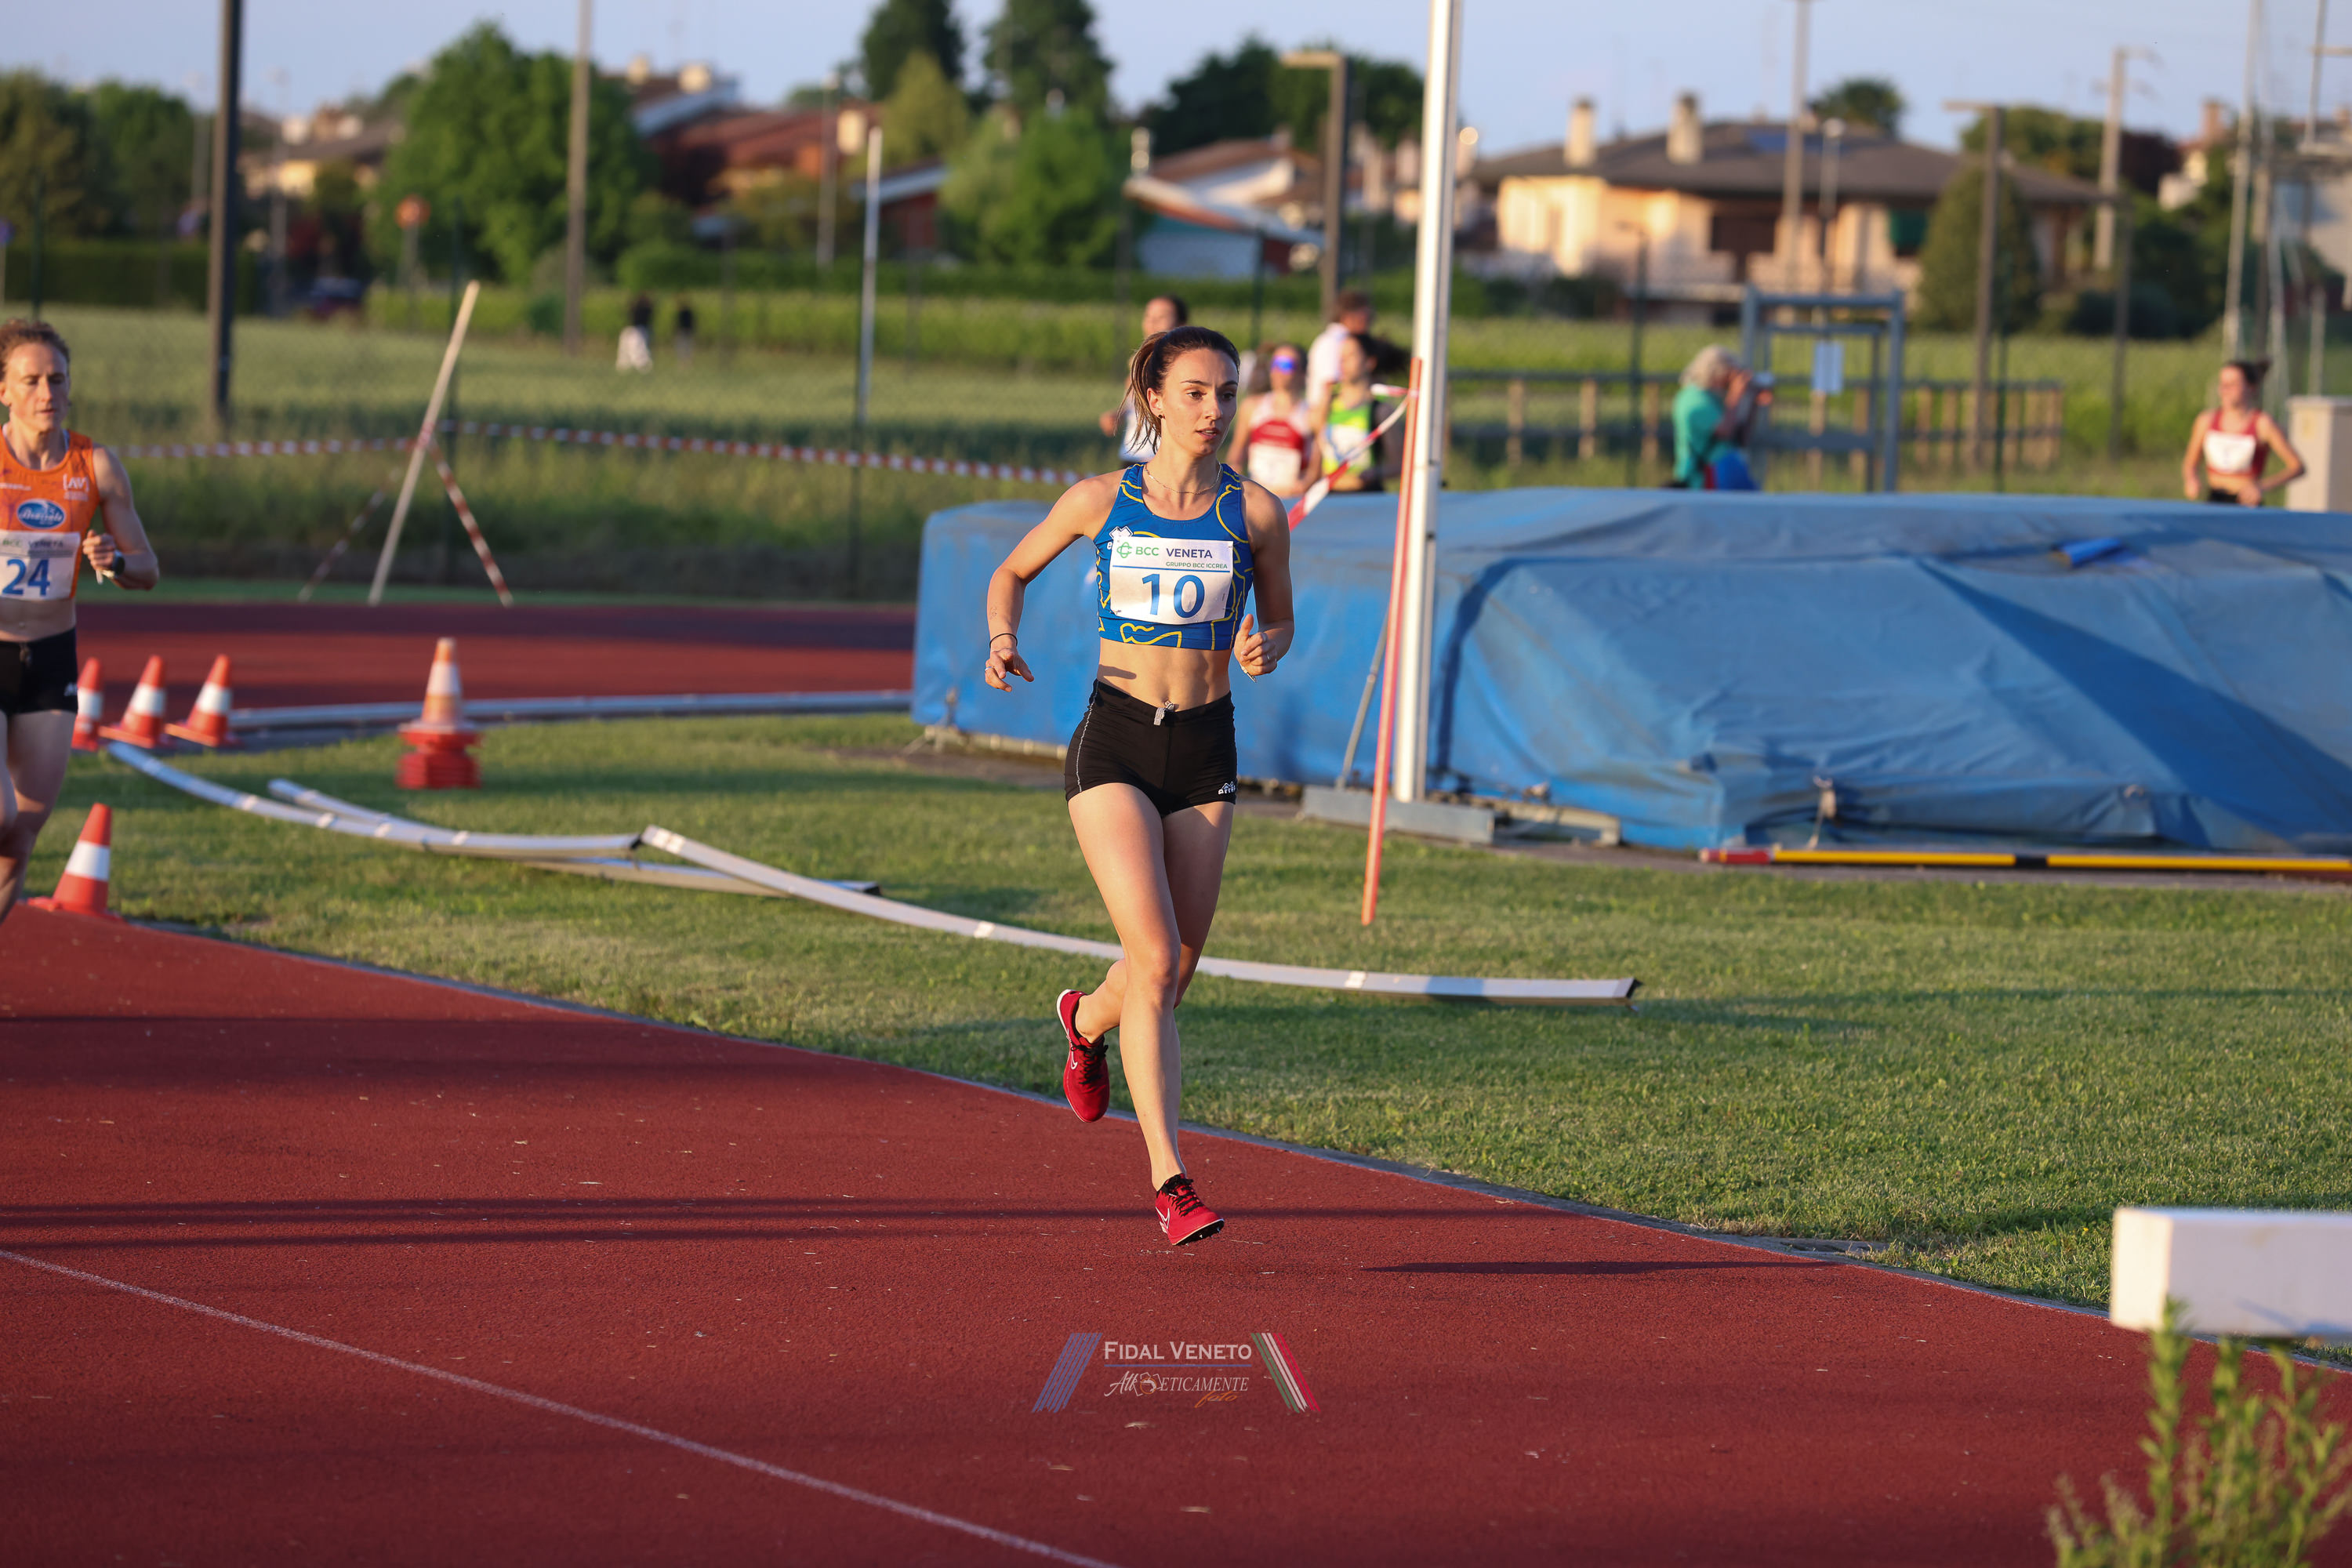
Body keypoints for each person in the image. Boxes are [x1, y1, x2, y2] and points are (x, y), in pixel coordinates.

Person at [985, 324, 1294, 1247]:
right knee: (1154, 956)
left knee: (1173, 970)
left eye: (1227, 392)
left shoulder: (1257, 513)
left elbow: (1281, 619)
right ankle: (1172, 1181)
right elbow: (1011, 570)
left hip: (1205, 749)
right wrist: (1002, 637)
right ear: (1153, 399)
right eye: (1195, 392)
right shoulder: (1100, 500)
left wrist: (1269, 644)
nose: (1214, 409)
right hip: (1115, 741)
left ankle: (1084, 1020)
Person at [0, 318, 161, 924]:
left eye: (58, 379)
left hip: (49, 660)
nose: (47, 393)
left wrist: (113, 561)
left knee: (18, 841)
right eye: (32, 381)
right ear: (4, 391)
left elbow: (148, 569)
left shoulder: (96, 466)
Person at [2183, 359, 2303, 506]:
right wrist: (2192, 479)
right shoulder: (2206, 421)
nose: (2225, 389)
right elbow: (2190, 463)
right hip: (2214, 500)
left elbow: (2297, 467)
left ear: (2251, 388)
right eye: (2223, 384)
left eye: (2232, 384)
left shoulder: (2262, 424)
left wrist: (2261, 486)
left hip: (2246, 503)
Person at [1099, 294, 1187, 462]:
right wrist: (1118, 415)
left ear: (1181, 325)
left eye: (1161, 317)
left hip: (1163, 457)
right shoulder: (1138, 361)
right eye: (1148, 316)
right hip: (1133, 454)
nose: (1152, 322)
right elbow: (1134, 404)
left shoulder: (1185, 364)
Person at [1671, 345, 1771, 489]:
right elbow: (1724, 431)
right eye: (1729, 374)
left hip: (1729, 467)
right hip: (1704, 476)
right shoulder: (1693, 398)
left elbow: (1743, 438)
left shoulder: (1715, 398)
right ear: (1716, 372)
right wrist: (1736, 393)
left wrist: (1752, 400)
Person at [1231, 341, 1313, 498]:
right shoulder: (1251, 406)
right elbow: (1237, 453)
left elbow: (1317, 464)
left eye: (1286, 365)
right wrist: (1236, 472)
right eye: (1275, 364)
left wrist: (1307, 482)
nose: (1278, 371)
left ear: (1302, 373)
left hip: (1292, 499)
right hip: (1257, 497)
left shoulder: (1312, 414)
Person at [1312, 332, 1392, 493]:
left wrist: (1372, 474)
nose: (1342, 361)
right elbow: (1316, 450)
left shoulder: (1380, 410)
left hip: (1365, 498)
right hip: (1329, 497)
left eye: (1351, 355)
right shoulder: (1328, 403)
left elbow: (1399, 465)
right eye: (1341, 356)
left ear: (1369, 362)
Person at [1304, 289, 1374, 411]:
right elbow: (1330, 385)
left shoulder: (1339, 340)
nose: (1371, 319)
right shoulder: (1332, 342)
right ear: (1349, 315)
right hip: (1329, 414)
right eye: (1366, 314)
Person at [618, 293, 655, 372]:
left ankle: (639, 366)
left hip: (637, 329)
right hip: (638, 329)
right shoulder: (645, 309)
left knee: (636, 350)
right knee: (637, 350)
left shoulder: (638, 308)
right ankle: (638, 366)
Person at [673, 297, 698, 367]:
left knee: (686, 347)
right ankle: (684, 362)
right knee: (683, 348)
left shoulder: (686, 313)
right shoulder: (683, 313)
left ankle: (687, 362)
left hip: (686, 331)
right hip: (684, 332)